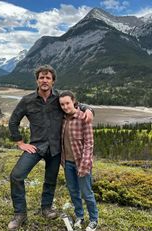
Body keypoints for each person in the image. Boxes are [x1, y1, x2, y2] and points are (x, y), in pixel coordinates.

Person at [8, 65, 93, 230]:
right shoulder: (27, 100)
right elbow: (13, 121)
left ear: (53, 81)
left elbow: (77, 105)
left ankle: (46, 208)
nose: (44, 80)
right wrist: (20, 142)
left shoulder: (59, 98)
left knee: (50, 180)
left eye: (48, 78)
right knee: (16, 176)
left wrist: (89, 109)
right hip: (36, 146)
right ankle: (20, 214)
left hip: (55, 148)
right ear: (37, 80)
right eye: (41, 77)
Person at [59, 91, 98, 231]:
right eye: (62, 104)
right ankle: (79, 217)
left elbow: (89, 144)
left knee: (87, 193)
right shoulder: (62, 119)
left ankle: (94, 219)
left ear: (74, 102)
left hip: (82, 163)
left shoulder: (84, 118)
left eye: (67, 103)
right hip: (67, 163)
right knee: (73, 192)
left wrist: (84, 165)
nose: (65, 106)